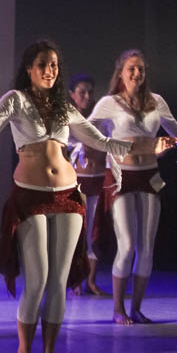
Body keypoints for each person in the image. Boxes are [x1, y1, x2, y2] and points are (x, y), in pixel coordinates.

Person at [0, 40, 174, 353]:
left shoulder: (64, 107)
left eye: (54, 64)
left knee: (58, 280)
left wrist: (149, 149)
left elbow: (101, 141)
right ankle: (24, 350)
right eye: (43, 64)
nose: (49, 70)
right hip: (30, 195)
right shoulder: (15, 100)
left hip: (68, 195)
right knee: (38, 278)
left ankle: (50, 351)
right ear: (29, 69)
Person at [88, 49, 177, 324]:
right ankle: (118, 310)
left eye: (141, 70)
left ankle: (136, 308)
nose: (137, 74)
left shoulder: (156, 102)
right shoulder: (109, 103)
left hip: (150, 176)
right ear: (121, 73)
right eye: (131, 69)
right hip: (120, 177)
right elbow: (86, 131)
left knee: (146, 247)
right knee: (126, 246)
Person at [66, 73, 108, 296]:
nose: (87, 96)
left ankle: (91, 281)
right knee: (77, 231)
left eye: (90, 92)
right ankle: (76, 280)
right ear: (72, 94)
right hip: (77, 181)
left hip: (98, 179)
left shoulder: (99, 118)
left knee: (94, 231)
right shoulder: (67, 119)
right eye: (82, 92)